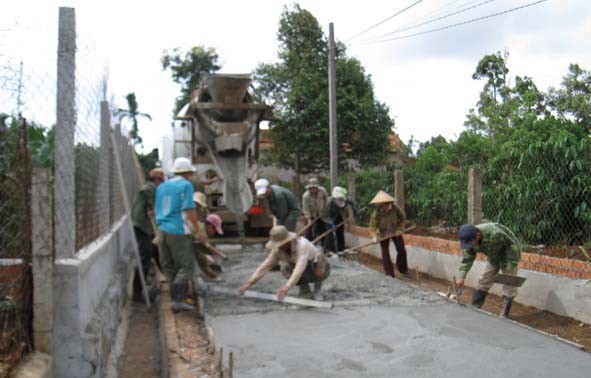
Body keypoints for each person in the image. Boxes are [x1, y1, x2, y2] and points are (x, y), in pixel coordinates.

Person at [155, 157, 206, 312]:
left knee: (168, 265)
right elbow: (190, 209)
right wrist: (198, 231)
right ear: (187, 172)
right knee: (186, 267)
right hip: (178, 230)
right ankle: (177, 300)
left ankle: (176, 297)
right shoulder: (186, 185)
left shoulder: (161, 187)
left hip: (161, 230)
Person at [239, 225, 330, 301]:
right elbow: (266, 265)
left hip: (314, 263)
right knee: (285, 267)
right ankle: (305, 290)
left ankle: (317, 290)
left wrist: (287, 287)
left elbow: (300, 267)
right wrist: (250, 282)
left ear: (288, 241)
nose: (279, 246)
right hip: (296, 265)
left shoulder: (302, 245)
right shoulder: (277, 250)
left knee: (319, 262)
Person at [454, 223, 522, 318]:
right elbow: (468, 258)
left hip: (508, 256)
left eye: (470, 243)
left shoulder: (495, 233)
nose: (469, 245)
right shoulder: (469, 239)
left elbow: (512, 245)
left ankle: (505, 314)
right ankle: (475, 307)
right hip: (493, 257)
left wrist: (511, 265)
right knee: (484, 280)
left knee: (509, 283)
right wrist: (461, 276)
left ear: (477, 236)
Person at [130, 168, 165, 302]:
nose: (162, 183)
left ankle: (170, 277)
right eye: (162, 180)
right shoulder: (150, 188)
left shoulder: (151, 188)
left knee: (156, 250)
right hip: (142, 225)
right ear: (157, 179)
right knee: (145, 256)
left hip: (144, 225)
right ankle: (137, 293)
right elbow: (148, 196)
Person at [368, 190, 408, 277]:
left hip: (395, 231)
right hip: (383, 234)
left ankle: (403, 270)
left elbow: (403, 218)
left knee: (402, 250)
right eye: (381, 205)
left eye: (385, 204)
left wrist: (400, 230)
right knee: (385, 253)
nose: (383, 206)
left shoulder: (395, 209)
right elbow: (372, 226)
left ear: (389, 203)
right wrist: (374, 236)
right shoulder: (377, 212)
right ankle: (389, 273)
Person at [323, 186, 356, 253]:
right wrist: (331, 224)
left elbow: (352, 201)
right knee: (329, 233)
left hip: (339, 215)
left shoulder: (346, 199)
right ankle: (331, 250)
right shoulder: (328, 203)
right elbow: (325, 216)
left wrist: (354, 209)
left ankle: (341, 248)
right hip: (329, 217)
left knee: (340, 230)